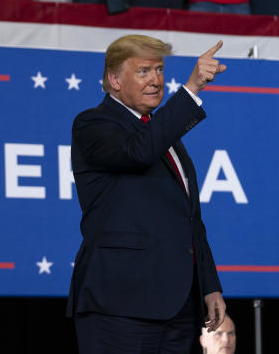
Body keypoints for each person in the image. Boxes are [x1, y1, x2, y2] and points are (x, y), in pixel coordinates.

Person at [67, 35, 227, 354]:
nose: (156, 80)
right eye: (143, 71)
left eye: (159, 70)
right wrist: (191, 89)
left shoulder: (164, 135)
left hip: (178, 307)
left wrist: (209, 287)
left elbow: (190, 219)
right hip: (120, 305)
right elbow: (139, 151)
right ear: (114, 80)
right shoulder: (93, 125)